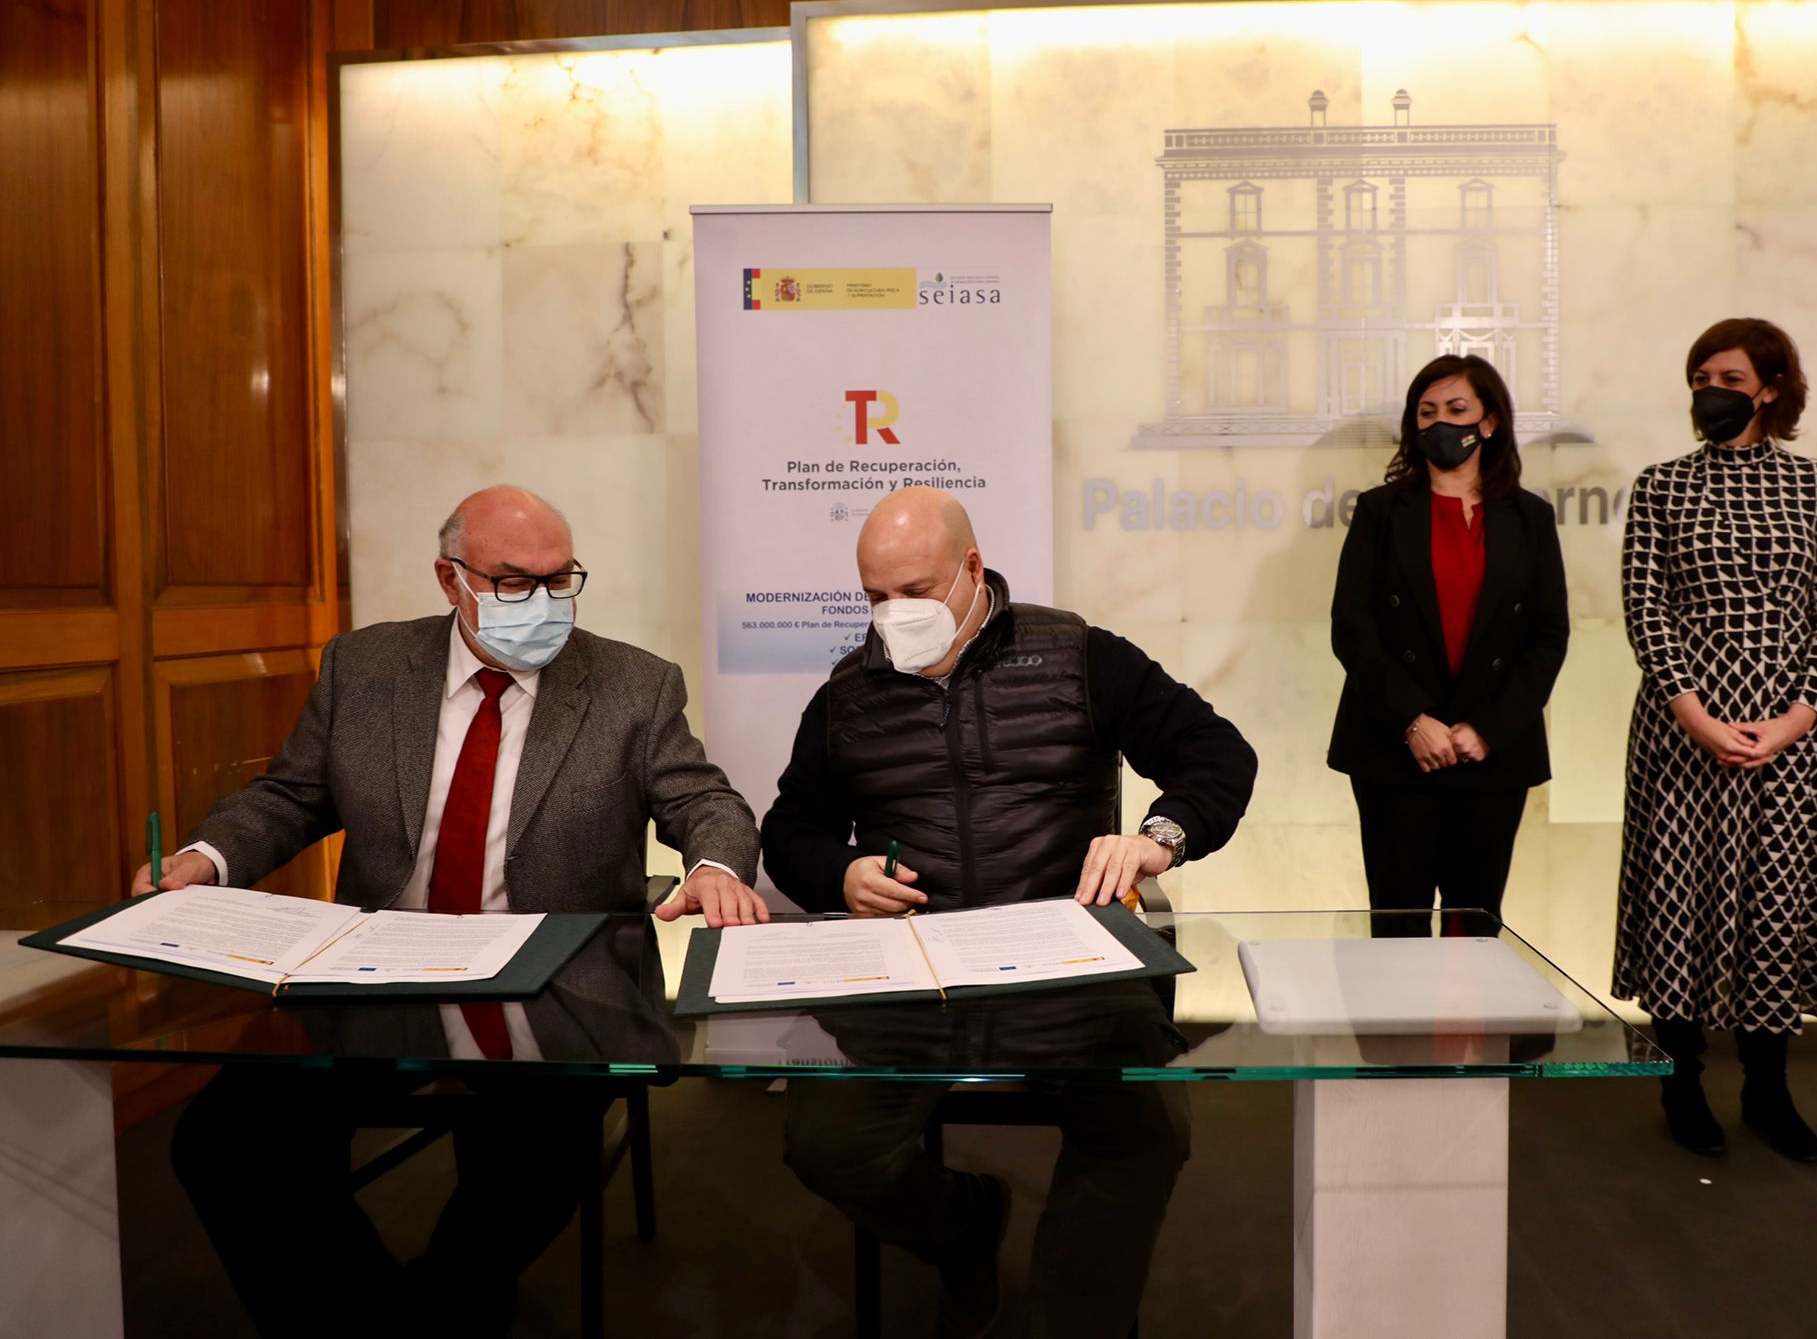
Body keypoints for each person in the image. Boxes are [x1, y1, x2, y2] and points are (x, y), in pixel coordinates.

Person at [134, 484, 765, 1336]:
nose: (542, 602)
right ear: (450, 578)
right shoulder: (364, 667)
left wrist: (716, 864)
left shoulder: (633, 685)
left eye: (560, 579)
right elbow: (291, 795)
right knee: (225, 1143)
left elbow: (705, 801)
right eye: (513, 582)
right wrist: (206, 859)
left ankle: (438, 1307)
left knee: (539, 1161)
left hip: (554, 983)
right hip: (376, 973)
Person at [761, 486, 1256, 1339]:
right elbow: (791, 828)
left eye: (916, 591)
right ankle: (963, 1228)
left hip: (1072, 962)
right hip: (914, 973)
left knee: (1144, 1131)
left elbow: (1216, 753)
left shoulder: (1081, 656)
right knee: (827, 1144)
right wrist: (840, 874)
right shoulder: (848, 694)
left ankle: (1072, 1318)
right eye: (876, 596)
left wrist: (1158, 839)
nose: (894, 614)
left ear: (972, 568)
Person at [1613, 318, 1817, 1164]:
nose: (1709, 392)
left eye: (1727, 378)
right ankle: (1679, 1080)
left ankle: (1767, 1087)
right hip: (1682, 726)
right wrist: (1694, 714)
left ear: (1770, 389)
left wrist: (1795, 720)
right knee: (1676, 900)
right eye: (1699, 378)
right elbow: (1646, 608)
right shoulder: (1662, 485)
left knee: (1774, 904)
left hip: (1786, 734)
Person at [1326, 354, 1569, 938]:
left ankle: (1470, 1011)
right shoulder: (1380, 511)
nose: (1439, 424)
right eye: (1426, 412)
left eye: (1456, 409)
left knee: (1474, 925)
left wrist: (1488, 728)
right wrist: (1413, 721)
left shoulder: (1530, 517)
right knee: (1399, 922)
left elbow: (1548, 636)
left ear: (1489, 422)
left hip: (1492, 754)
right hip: (1395, 750)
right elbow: (1352, 627)